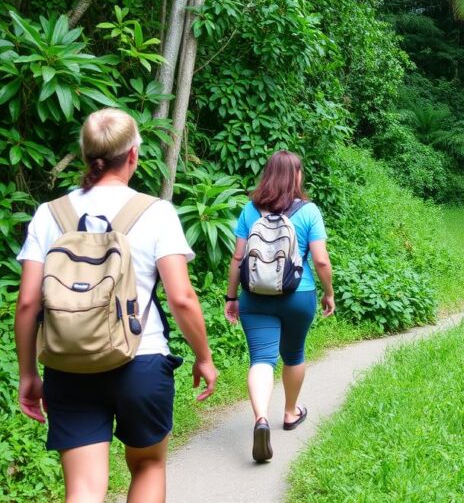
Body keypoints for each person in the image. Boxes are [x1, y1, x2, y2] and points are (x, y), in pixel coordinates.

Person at [15, 108, 218, 503]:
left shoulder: (48, 215)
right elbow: (181, 297)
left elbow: (27, 303)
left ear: (86, 153)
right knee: (147, 467)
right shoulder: (156, 213)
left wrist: (28, 373)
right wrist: (203, 357)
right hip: (141, 360)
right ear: (133, 155)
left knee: (84, 488)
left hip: (68, 365)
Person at [225, 150, 335, 463]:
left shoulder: (250, 209)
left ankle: (261, 418)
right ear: (296, 176)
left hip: (255, 295)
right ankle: (289, 413)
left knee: (261, 358)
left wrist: (231, 297)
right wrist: (329, 293)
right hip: (299, 294)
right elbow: (321, 260)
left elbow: (238, 257)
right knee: (294, 354)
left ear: (269, 175)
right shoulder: (309, 211)